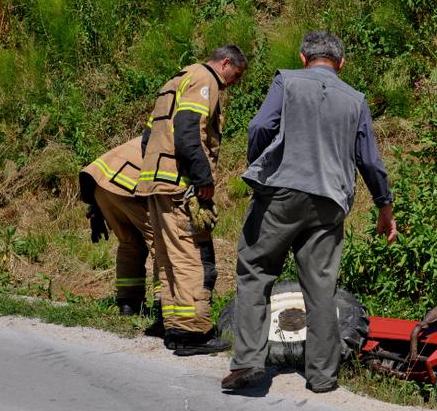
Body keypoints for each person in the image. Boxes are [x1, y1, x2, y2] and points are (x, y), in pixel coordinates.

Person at [221, 31, 397, 392]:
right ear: (341, 64)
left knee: (256, 271)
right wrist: (385, 207)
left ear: (303, 57)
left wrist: (259, 165)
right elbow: (370, 162)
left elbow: (260, 126)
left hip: (281, 192)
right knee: (320, 288)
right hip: (329, 201)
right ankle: (321, 376)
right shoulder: (356, 100)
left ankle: (248, 363)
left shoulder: (287, 81)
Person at [136, 45, 248, 356]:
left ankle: (174, 327)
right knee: (191, 256)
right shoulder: (205, 80)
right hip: (178, 185)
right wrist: (203, 179)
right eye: (235, 75)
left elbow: (148, 138)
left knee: (169, 257)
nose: (233, 83)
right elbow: (188, 132)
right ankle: (192, 333)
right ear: (225, 63)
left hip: (156, 183)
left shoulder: (176, 80)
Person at [78, 137, 161, 328]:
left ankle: (128, 304)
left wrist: (96, 207)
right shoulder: (180, 137)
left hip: (101, 183)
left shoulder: (160, 129)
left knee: (129, 243)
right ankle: (162, 305)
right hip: (126, 184)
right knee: (160, 243)